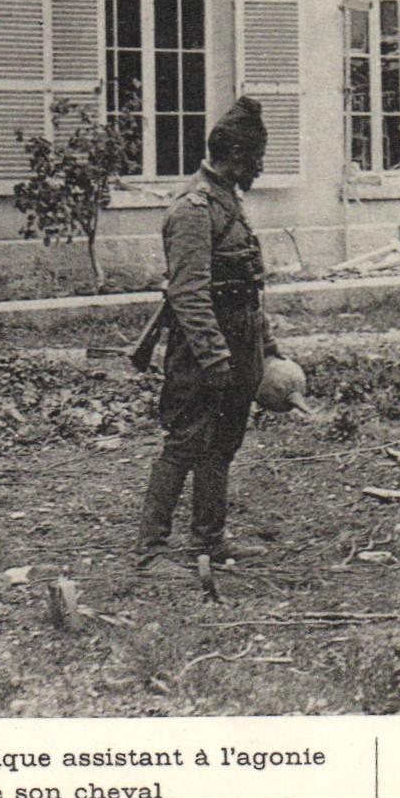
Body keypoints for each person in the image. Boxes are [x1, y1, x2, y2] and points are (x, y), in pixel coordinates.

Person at [138, 96, 281, 566]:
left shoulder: (228, 204)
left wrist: (268, 348)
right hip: (201, 348)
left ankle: (208, 540)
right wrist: (215, 357)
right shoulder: (194, 209)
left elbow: (246, 288)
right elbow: (189, 294)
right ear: (236, 156)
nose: (260, 169)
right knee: (185, 442)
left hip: (238, 339)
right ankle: (152, 546)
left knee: (223, 442)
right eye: (256, 159)